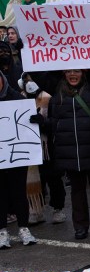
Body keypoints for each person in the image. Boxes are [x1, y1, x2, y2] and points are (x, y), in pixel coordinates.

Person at [45, 69, 90, 239]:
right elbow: (55, 122)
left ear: (84, 73)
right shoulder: (57, 91)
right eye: (68, 71)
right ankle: (80, 227)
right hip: (68, 151)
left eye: (76, 71)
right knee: (76, 191)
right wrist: (43, 123)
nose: (72, 74)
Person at [0, 69, 36, 248]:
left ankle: (24, 228)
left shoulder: (17, 99)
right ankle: (2, 231)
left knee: (19, 192)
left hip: (15, 156)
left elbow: (26, 122)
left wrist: (34, 119)